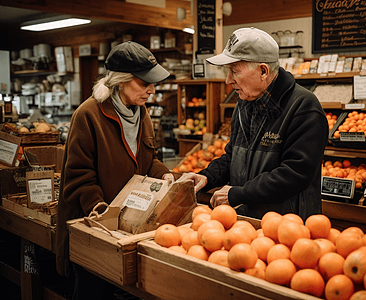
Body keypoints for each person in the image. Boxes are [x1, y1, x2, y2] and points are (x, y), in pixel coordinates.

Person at [55, 41, 173, 299]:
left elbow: (146, 160)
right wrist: (102, 213)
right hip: (94, 228)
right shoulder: (88, 115)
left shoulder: (141, 113)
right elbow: (79, 178)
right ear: (121, 81)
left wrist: (164, 174)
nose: (152, 90)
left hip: (129, 227)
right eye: (145, 83)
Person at [179, 27, 329, 221]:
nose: (228, 80)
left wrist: (237, 194)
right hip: (249, 222)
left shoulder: (303, 107)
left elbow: (295, 174)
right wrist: (207, 177)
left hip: (287, 226)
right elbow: (233, 156)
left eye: (234, 71)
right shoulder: (244, 104)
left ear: (263, 71)